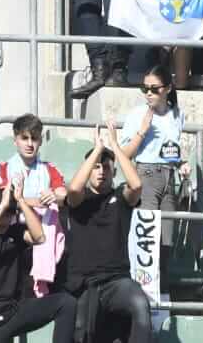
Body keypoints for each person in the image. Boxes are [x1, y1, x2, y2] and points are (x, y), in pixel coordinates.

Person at [60, 127, 152, 343]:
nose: (101, 171)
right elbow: (73, 189)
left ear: (114, 172)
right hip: (84, 283)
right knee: (83, 331)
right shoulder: (79, 199)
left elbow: (136, 185)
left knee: (140, 303)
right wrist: (98, 149)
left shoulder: (120, 197)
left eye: (106, 168)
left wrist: (115, 146)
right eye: (96, 167)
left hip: (117, 281)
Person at [0, 179, 73, 343]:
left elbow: (39, 237)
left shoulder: (16, 233)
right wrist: (2, 206)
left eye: (10, 211)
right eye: (3, 210)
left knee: (67, 303)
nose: (7, 214)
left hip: (12, 312)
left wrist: (21, 201)